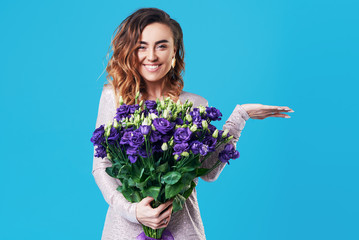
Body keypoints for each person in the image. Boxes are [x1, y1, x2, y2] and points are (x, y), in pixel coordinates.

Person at [92, 7, 294, 240]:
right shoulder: (115, 97)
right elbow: (101, 164)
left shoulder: (195, 104)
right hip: (123, 231)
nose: (152, 56)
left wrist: (240, 117)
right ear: (130, 51)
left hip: (183, 232)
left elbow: (208, 170)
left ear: (174, 51)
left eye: (162, 45)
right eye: (141, 46)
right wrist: (134, 211)